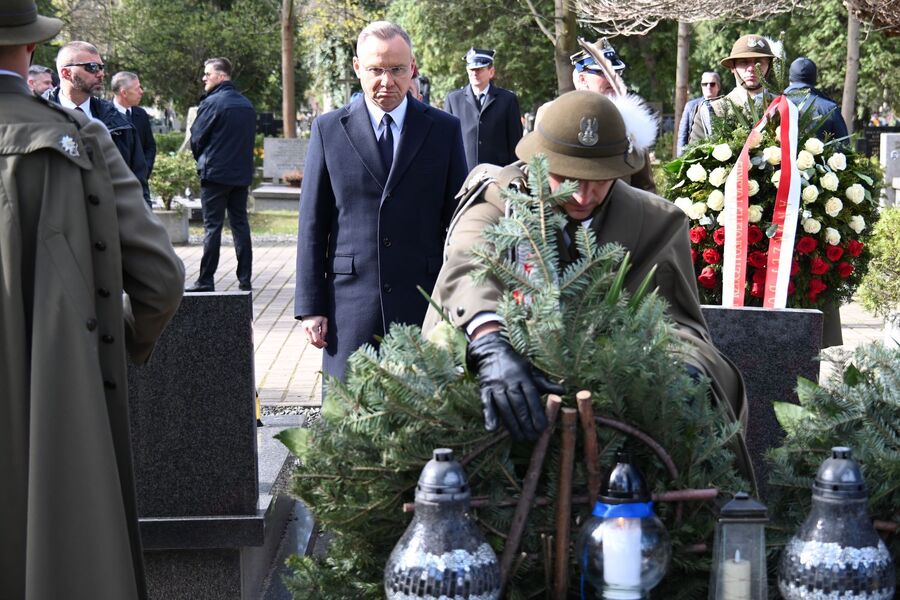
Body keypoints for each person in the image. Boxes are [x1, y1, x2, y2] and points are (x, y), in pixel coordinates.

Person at [423, 91, 753, 485]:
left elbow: (678, 323)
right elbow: (469, 262)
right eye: (566, 179)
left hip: (623, 423)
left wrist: (680, 370)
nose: (583, 196)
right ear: (537, 162)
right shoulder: (498, 197)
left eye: (598, 181)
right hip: (503, 413)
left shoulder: (655, 221)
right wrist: (489, 342)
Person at [0, 2, 185, 598]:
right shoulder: (80, 139)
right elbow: (159, 279)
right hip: (59, 410)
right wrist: (109, 337)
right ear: (32, 49)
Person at [295, 21, 468, 383]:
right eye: (376, 69)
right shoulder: (329, 130)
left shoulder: (444, 130)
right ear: (358, 68)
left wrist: (462, 300)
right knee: (351, 420)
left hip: (424, 299)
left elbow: (459, 223)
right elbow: (313, 223)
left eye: (397, 69)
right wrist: (311, 307)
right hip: (350, 305)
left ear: (413, 68)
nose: (386, 81)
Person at [47, 41, 150, 204]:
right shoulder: (37, 116)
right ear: (66, 73)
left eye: (102, 67)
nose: (101, 74)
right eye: (92, 67)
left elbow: (137, 184)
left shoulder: (119, 121)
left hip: (108, 220)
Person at [187, 57, 256, 292]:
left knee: (212, 227)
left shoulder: (213, 103)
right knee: (240, 224)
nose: (204, 78)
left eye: (208, 74)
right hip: (240, 175)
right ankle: (245, 278)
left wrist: (202, 160)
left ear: (221, 76)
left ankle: (206, 279)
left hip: (215, 175)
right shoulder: (246, 104)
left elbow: (196, 137)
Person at [568, 40, 657, 193]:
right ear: (583, 79)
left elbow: (645, 185)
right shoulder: (560, 114)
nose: (613, 78)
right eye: (602, 71)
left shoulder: (630, 120)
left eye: (617, 72)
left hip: (621, 212)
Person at [444, 47, 522, 171]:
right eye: (471, 69)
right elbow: (446, 143)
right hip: (464, 175)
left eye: (479, 69)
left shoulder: (508, 100)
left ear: (491, 72)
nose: (475, 73)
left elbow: (515, 142)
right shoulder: (453, 100)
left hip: (498, 173)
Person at [688, 34, 776, 144]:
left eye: (759, 62)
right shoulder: (713, 111)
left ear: (769, 66)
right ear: (732, 67)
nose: (751, 68)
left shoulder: (784, 108)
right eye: (744, 62)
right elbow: (695, 157)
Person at [112, 71, 158, 203]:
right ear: (124, 92)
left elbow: (150, 146)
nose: (141, 92)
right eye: (137, 88)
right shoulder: (105, 114)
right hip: (116, 187)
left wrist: (144, 170)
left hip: (140, 185)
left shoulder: (140, 114)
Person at [784, 57, 849, 142]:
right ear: (814, 79)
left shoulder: (774, 103)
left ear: (790, 78)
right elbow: (844, 148)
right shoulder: (830, 109)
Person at [676, 71, 721, 156]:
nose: (708, 87)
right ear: (701, 86)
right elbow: (683, 135)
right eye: (705, 84)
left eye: (712, 84)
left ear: (718, 86)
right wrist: (680, 158)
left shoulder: (725, 104)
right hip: (696, 154)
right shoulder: (691, 106)